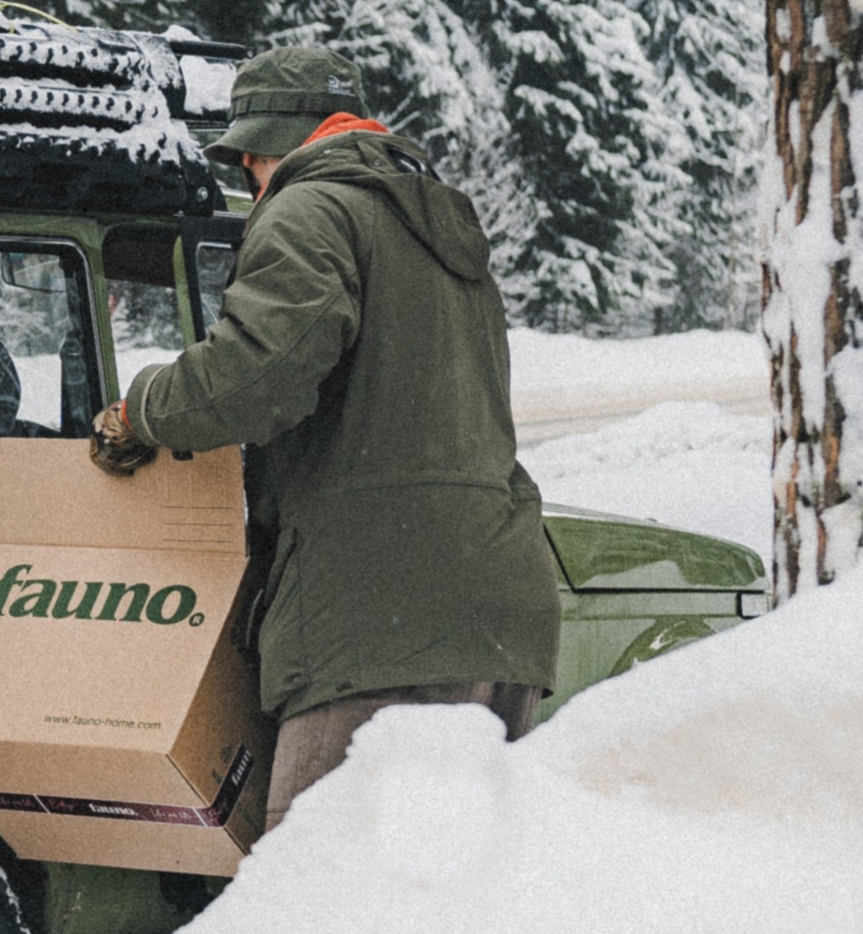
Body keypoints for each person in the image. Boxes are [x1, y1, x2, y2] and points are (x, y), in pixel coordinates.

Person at [90, 44, 562, 831]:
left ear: (256, 151)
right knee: (452, 894)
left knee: (315, 902)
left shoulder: (309, 209)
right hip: (497, 612)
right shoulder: (434, 218)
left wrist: (140, 411)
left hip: (376, 622)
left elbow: (252, 378)